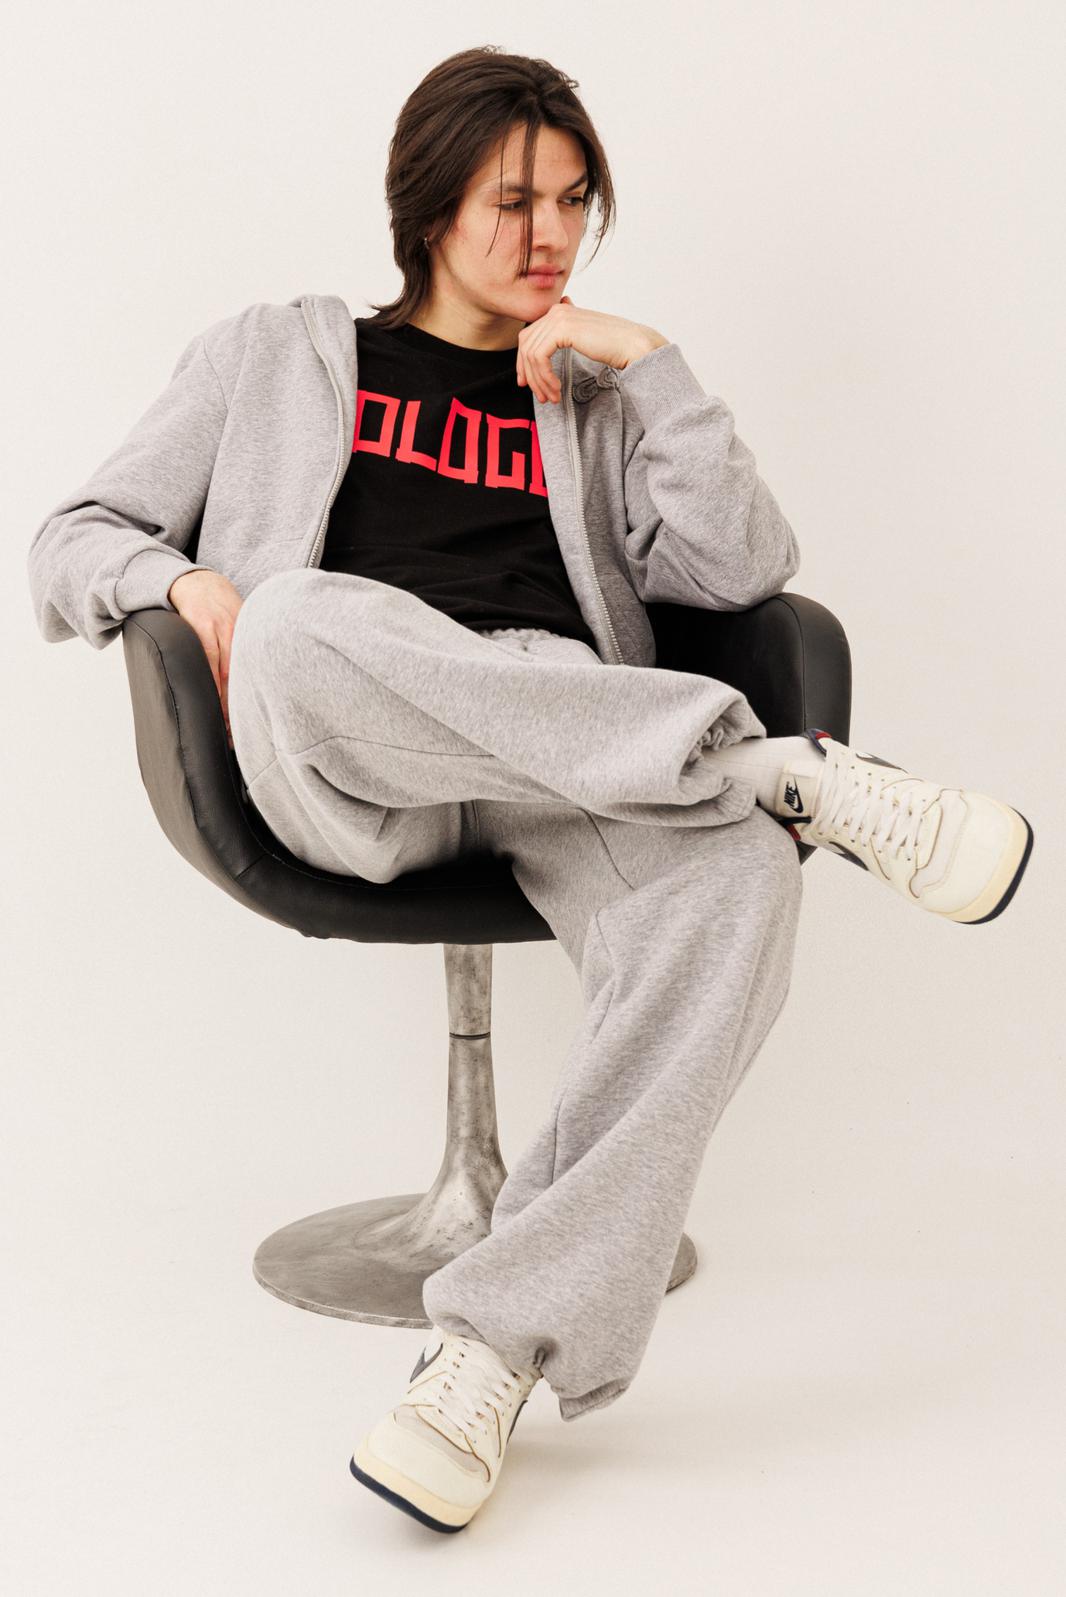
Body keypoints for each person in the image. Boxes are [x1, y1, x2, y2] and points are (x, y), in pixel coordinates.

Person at [26, 46, 1033, 1537]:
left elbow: (742, 572)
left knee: (738, 878)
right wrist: (177, 583)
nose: (549, 234)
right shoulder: (274, 353)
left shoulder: (592, 391)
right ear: (430, 206)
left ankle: (490, 1355)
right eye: (512, 201)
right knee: (297, 618)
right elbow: (68, 538)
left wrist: (654, 366)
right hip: (351, 744)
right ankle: (756, 764)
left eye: (572, 201)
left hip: (571, 760)